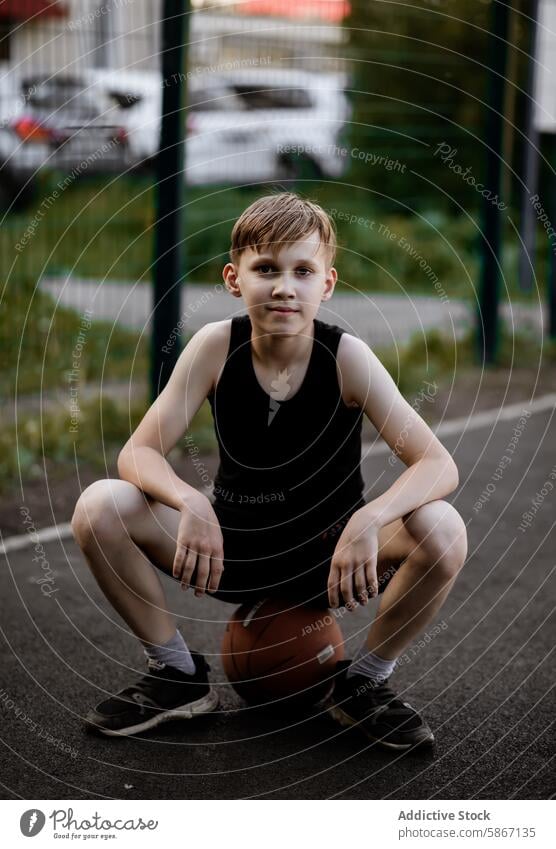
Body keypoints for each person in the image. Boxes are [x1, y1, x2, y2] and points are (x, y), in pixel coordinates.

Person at [71, 192, 467, 748]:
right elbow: (138, 452)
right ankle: (177, 675)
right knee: (100, 505)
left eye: (303, 270)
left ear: (326, 285)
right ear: (235, 279)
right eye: (266, 269)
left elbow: (436, 462)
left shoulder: (347, 358)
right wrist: (191, 501)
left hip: (330, 559)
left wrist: (372, 519)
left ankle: (364, 685)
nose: (284, 286)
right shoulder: (214, 348)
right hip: (235, 551)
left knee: (444, 527)